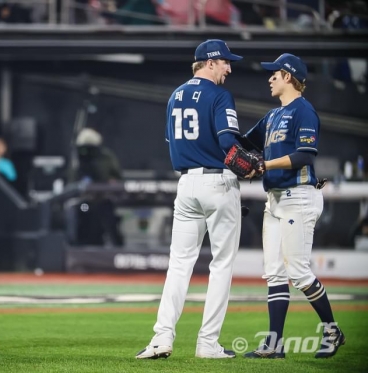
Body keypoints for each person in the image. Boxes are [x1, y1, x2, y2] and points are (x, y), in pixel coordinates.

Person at [136, 39, 244, 359]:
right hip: (218, 181)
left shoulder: (175, 95)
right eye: (225, 61)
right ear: (209, 63)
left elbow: (173, 140)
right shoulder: (220, 95)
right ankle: (207, 344)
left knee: (179, 265)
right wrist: (249, 164)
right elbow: (228, 142)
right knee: (221, 264)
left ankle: (161, 338)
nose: (229, 67)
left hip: (186, 184)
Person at [240, 53, 345, 359]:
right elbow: (245, 144)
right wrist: (218, 137)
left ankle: (332, 330)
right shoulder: (273, 116)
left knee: (297, 272)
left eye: (275, 73)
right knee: (274, 273)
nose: (270, 77)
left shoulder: (304, 111)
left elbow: (305, 155)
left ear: (288, 76)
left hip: (298, 196)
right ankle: (274, 343)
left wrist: (264, 164)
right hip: (275, 200)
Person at [74, 127, 124, 247]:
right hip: (85, 201)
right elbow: (74, 178)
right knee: (83, 216)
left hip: (104, 199)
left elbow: (117, 177)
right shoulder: (78, 158)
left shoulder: (106, 157)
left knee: (109, 219)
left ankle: (117, 247)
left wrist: (112, 182)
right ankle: (81, 247)